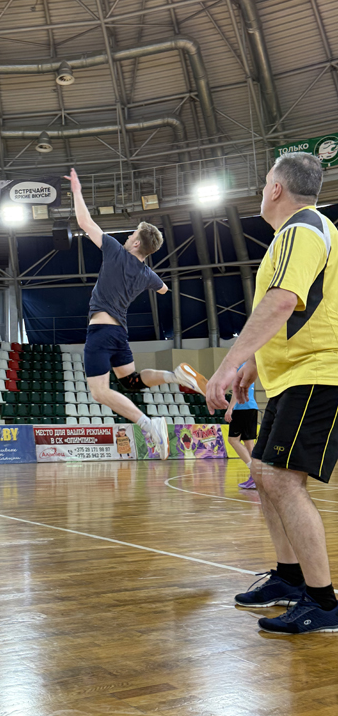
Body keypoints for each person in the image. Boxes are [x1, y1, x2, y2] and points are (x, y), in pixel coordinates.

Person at [206, 151, 338, 634]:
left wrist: (228, 365)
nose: (263, 191)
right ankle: (288, 577)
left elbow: (282, 302)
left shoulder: (303, 229)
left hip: (318, 373)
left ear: (277, 188)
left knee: (282, 480)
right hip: (292, 375)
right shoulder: (299, 233)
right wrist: (254, 365)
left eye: (265, 183)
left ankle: (323, 602)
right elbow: (299, 309)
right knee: (264, 473)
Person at [65, 168, 207, 461]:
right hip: (119, 333)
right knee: (131, 381)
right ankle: (174, 376)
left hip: (101, 331)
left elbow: (84, 222)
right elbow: (164, 289)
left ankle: (147, 424)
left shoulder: (115, 252)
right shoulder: (146, 274)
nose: (128, 237)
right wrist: (150, 281)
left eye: (131, 235)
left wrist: (77, 191)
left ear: (136, 243)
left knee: (99, 393)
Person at [224, 363, 259, 489]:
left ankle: (254, 471)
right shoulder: (248, 366)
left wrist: (230, 408)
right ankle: (255, 477)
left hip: (242, 408)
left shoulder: (240, 367)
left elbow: (237, 390)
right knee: (249, 444)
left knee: (233, 440)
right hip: (251, 407)